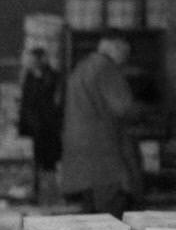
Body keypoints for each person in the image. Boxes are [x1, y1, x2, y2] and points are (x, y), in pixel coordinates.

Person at [61, 32, 146, 217]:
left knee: (93, 219)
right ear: (115, 47)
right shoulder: (106, 68)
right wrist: (144, 110)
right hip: (105, 155)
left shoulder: (81, 68)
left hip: (80, 155)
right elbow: (123, 107)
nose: (125, 57)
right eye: (125, 51)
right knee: (113, 215)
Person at [18, 47, 63, 202]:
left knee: (49, 162)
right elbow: (27, 104)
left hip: (47, 127)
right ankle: (37, 192)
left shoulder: (52, 77)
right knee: (35, 162)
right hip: (33, 128)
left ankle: (50, 193)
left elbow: (53, 102)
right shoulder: (29, 77)